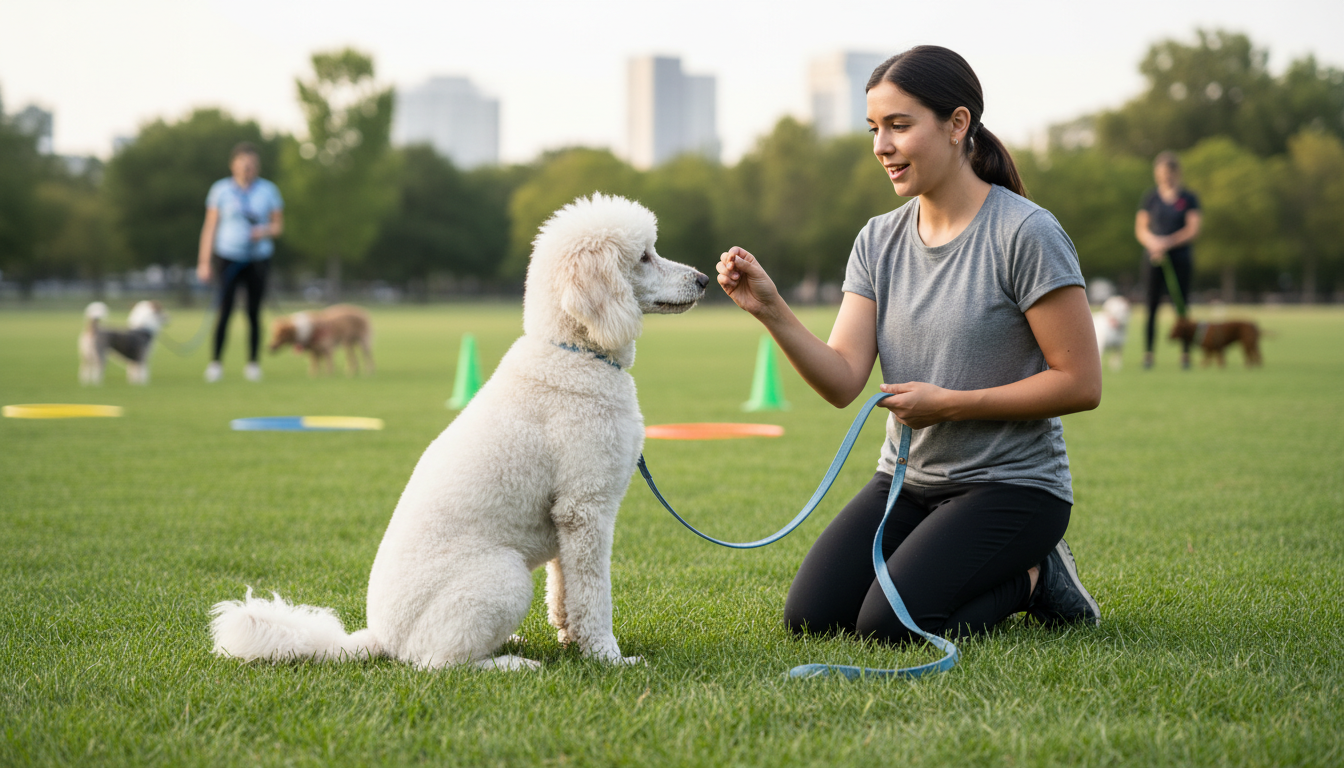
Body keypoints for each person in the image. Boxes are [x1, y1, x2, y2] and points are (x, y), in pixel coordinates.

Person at [715, 46, 1103, 645]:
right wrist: (772, 311)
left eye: (899, 125)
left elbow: (1080, 383)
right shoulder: (878, 240)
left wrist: (948, 404)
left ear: (957, 125)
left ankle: (1036, 575)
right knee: (811, 620)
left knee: (891, 626)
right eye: (874, 129)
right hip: (908, 480)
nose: (882, 146)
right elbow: (845, 380)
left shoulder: (1026, 233)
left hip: (1014, 488)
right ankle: (1013, 573)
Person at [196, 142, 284, 383]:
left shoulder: (268, 191)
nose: (248, 168)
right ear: (233, 165)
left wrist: (263, 231)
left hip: (258, 258)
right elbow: (210, 227)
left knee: (254, 312)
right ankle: (215, 363)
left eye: (252, 164)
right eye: (243, 164)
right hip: (228, 256)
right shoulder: (220, 191)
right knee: (224, 311)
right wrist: (204, 261)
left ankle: (253, 364)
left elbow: (278, 226)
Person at [1135, 152, 1201, 369]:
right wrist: (1153, 242)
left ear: (1176, 173)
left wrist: (1168, 242)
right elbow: (1141, 228)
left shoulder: (1188, 198)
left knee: (1181, 306)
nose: (1164, 177)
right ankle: (1149, 354)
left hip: (1179, 257)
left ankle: (1185, 354)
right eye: (1161, 173)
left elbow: (1192, 229)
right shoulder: (1151, 197)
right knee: (1151, 305)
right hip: (1154, 258)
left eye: (1168, 173)